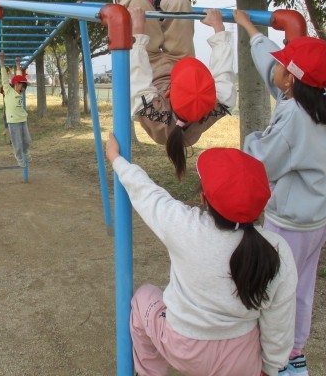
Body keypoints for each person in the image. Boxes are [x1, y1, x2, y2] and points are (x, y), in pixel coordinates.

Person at [105, 133, 297, 376]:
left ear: (204, 198)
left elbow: (146, 192)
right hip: (240, 361)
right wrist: (270, 368)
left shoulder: (184, 226)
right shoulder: (277, 250)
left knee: (143, 297)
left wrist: (116, 158)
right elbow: (279, 323)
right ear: (261, 207)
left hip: (182, 348)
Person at [233, 9, 326, 376]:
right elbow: (272, 65)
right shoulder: (315, 100)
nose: (275, 68)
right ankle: (294, 350)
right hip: (317, 218)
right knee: (302, 287)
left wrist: (251, 139)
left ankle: (278, 359)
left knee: (277, 290)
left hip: (291, 224)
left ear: (291, 80)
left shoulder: (293, 116)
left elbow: (261, 161)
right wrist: (249, 28)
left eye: (282, 65)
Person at [108, 0, 236, 179]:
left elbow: (138, 76)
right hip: (179, 63)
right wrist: (219, 29)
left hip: (151, 70)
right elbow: (223, 75)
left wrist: (137, 33)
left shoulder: (152, 113)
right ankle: (158, 3)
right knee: (181, 3)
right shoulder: (217, 104)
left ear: (168, 93)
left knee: (136, 4)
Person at [0, 52, 31, 167]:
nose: (23, 90)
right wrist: (2, 60)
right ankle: (19, 157)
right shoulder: (8, 91)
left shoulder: (19, 92)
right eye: (22, 87)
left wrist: (18, 65)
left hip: (22, 119)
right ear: (16, 84)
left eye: (24, 88)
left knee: (27, 140)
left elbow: (19, 76)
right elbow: (4, 77)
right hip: (13, 121)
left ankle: (25, 152)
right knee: (17, 143)